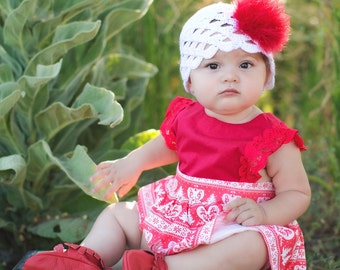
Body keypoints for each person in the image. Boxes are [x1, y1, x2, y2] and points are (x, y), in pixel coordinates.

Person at [24, 0, 311, 269]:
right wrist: (132, 163)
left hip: (233, 228)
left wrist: (265, 215)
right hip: (176, 219)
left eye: (245, 64)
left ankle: (167, 267)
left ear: (266, 75)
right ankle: (85, 258)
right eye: (213, 65)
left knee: (253, 245)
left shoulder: (274, 137)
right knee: (118, 215)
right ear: (190, 80)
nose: (230, 76)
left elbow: (296, 193)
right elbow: (167, 145)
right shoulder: (187, 117)